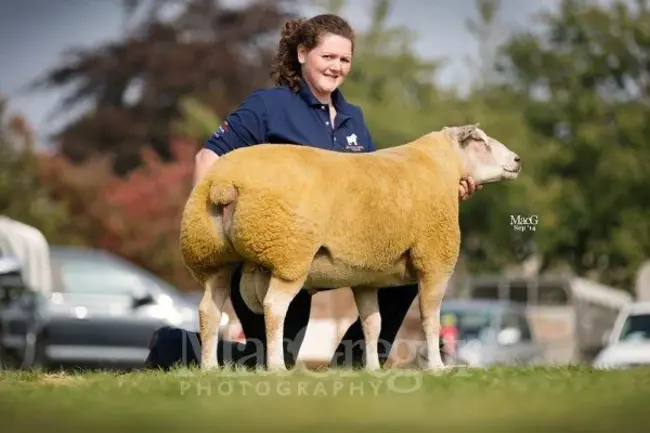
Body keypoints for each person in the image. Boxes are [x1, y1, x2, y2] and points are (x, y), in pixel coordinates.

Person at [145, 13, 480, 370]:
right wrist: (221, 234)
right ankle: (172, 346)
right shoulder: (268, 107)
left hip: (334, 252)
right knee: (271, 360)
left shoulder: (355, 118)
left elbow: (373, 189)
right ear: (303, 54)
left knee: (405, 272)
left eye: (345, 59)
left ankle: (354, 364)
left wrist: (441, 192)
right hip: (270, 253)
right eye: (328, 57)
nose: (337, 67)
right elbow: (208, 157)